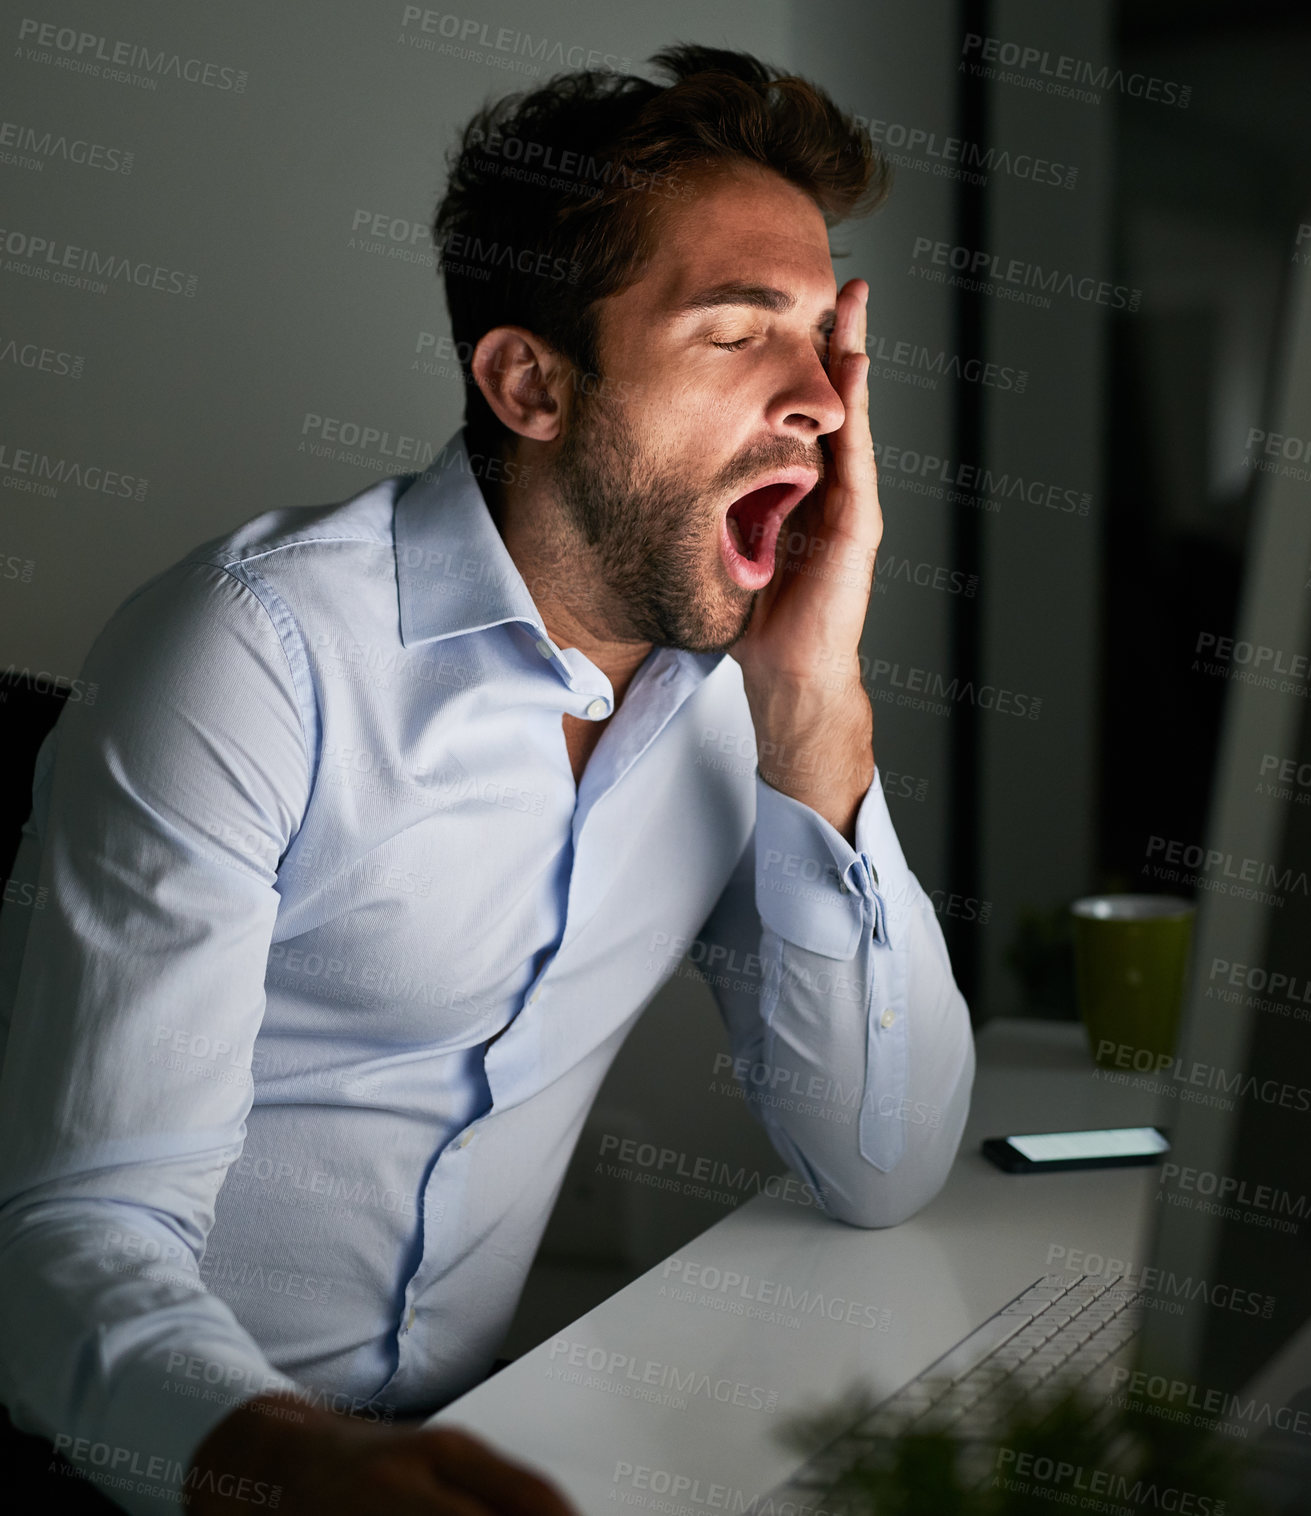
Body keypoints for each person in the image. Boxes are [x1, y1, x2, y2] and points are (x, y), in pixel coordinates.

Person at [0, 43, 975, 1516]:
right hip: (160, 1462)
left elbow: (880, 1163)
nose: (824, 409)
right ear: (528, 382)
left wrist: (817, 714)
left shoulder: (737, 697)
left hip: (484, 1447)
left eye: (823, 349)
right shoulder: (256, 655)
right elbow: (78, 1231)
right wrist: (293, 1464)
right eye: (736, 335)